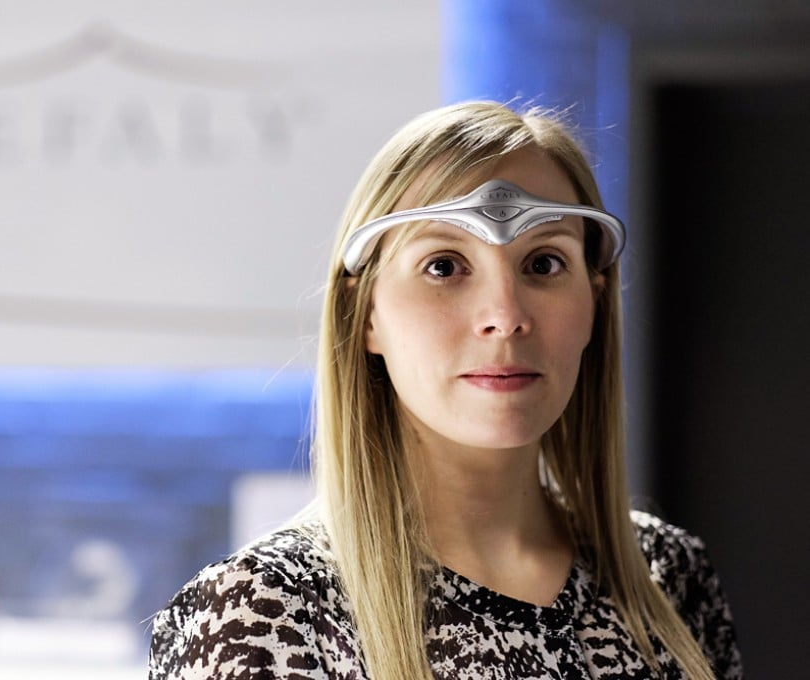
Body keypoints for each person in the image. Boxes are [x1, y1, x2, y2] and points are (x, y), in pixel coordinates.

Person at [148, 100, 743, 679]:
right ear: (367, 315)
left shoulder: (668, 577)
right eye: (443, 266)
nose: (505, 315)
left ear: (595, 301)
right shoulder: (258, 617)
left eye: (543, 264)